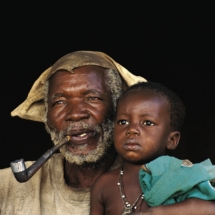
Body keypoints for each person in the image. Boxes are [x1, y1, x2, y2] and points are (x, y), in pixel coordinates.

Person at [0, 51, 214, 215]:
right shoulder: (7, 185)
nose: (75, 115)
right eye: (59, 102)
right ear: (47, 117)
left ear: (116, 109)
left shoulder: (171, 177)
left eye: (92, 98)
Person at [90, 82, 215, 215]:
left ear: (171, 140)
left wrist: (156, 212)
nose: (131, 130)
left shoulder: (180, 176)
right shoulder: (104, 184)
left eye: (147, 123)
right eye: (123, 122)